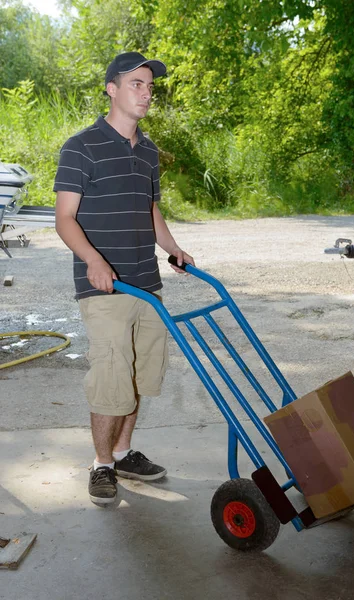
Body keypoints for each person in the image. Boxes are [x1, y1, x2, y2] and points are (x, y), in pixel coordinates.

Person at [54, 52, 194, 505]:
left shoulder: (149, 150)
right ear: (111, 89)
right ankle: (101, 464)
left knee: (139, 373)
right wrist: (93, 260)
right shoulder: (81, 146)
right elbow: (64, 218)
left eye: (150, 86)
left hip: (146, 284)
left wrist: (171, 248)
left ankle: (123, 451)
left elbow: (151, 209)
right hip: (104, 288)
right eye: (137, 84)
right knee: (111, 375)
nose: (147, 92)